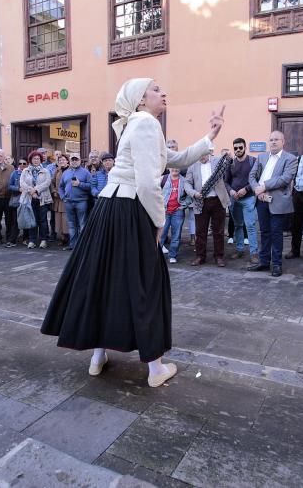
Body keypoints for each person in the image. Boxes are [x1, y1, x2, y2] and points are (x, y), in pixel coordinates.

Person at [41, 77, 224, 387]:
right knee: (145, 283)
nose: (162, 92)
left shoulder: (136, 124)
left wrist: (211, 135)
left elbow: (174, 160)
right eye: (155, 89)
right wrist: (159, 222)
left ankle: (98, 356)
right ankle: (155, 370)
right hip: (129, 209)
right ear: (140, 100)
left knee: (104, 279)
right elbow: (147, 183)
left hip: (109, 210)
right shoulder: (146, 124)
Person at [247, 130, 298, 277]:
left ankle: (276, 264)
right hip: (261, 199)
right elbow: (252, 175)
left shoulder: (290, 159)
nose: (273, 142)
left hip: (277, 201)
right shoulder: (261, 156)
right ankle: (264, 262)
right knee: (264, 232)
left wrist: (265, 186)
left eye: (277, 139)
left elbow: (285, 178)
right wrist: (257, 189)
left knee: (276, 233)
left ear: (283, 142)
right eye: (271, 140)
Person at [184, 150, 230, 267]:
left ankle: (219, 256)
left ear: (209, 153)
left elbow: (231, 165)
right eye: (198, 155)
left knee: (218, 231)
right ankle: (200, 256)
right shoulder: (192, 166)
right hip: (200, 201)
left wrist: (230, 158)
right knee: (200, 231)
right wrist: (194, 193)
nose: (201, 157)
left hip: (217, 200)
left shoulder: (218, 161)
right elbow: (187, 184)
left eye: (203, 154)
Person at [224, 137, 258, 263]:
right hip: (234, 199)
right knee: (238, 225)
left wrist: (246, 189)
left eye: (240, 147)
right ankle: (239, 249)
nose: (238, 150)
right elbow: (226, 181)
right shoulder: (231, 163)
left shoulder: (252, 161)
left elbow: (257, 179)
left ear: (245, 147)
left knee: (250, 225)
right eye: (235, 148)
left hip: (248, 198)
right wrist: (231, 191)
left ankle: (254, 253)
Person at [59, 154, 92, 251]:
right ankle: (73, 245)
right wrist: (63, 197)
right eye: (72, 160)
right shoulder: (66, 173)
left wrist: (80, 184)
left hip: (81, 202)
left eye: (76, 159)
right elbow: (60, 186)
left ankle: (82, 246)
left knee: (82, 224)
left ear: (80, 160)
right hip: (68, 202)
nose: (74, 161)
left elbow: (90, 186)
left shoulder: (85, 172)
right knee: (71, 224)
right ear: (70, 161)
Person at [20, 150, 52, 249]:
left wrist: (36, 190)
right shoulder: (25, 171)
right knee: (32, 220)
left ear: (41, 160)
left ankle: (43, 240)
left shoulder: (45, 171)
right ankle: (32, 240)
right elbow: (22, 183)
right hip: (30, 199)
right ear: (31, 160)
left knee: (43, 220)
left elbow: (47, 183)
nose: (36, 160)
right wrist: (31, 191)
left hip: (42, 199)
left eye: (38, 159)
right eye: (34, 159)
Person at [161, 167, 189, 264]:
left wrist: (183, 205)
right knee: (161, 234)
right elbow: (155, 192)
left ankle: (172, 255)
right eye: (173, 166)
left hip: (177, 211)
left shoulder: (185, 181)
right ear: (169, 168)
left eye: (177, 167)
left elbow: (189, 195)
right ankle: (156, 256)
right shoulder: (162, 179)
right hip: (163, 211)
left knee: (176, 235)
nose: (175, 169)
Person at [51, 154, 70, 246]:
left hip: (67, 198)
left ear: (67, 161)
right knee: (59, 218)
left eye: (63, 160)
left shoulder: (70, 170)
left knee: (66, 218)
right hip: (57, 198)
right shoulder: (57, 171)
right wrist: (54, 191)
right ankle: (62, 237)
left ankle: (69, 237)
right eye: (60, 160)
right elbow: (52, 182)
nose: (62, 161)